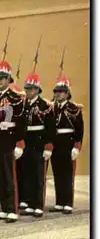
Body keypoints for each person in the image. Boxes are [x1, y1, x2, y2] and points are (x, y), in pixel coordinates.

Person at [0, 61, 26, 223]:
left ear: (8, 79)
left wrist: (19, 143)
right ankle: (4, 207)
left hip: (8, 138)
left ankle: (13, 208)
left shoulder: (14, 97)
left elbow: (21, 121)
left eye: (2, 78)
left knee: (10, 176)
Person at [18, 73, 55, 218]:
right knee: (27, 174)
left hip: (39, 141)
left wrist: (48, 147)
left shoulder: (44, 105)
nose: (28, 91)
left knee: (39, 175)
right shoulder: (23, 105)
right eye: (26, 89)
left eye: (31, 89)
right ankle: (30, 202)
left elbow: (51, 128)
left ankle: (39, 204)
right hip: (27, 141)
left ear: (37, 90)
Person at [49, 76, 84, 214]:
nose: (58, 94)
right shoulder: (51, 108)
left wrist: (77, 146)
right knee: (57, 173)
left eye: (61, 91)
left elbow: (79, 129)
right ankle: (59, 202)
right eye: (56, 91)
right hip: (56, 143)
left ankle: (68, 202)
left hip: (68, 143)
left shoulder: (74, 108)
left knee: (67, 174)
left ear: (67, 93)